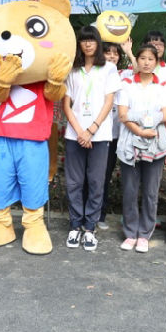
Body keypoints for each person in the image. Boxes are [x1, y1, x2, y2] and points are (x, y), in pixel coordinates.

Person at [63, 26, 121, 251]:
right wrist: (80, 131)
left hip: (100, 134)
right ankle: (75, 225)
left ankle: (90, 227)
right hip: (74, 135)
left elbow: (109, 102)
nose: (87, 44)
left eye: (92, 40)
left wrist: (92, 129)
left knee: (96, 182)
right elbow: (66, 104)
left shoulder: (109, 69)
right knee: (74, 182)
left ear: (98, 43)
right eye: (84, 40)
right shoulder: (72, 69)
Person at [116, 44, 166, 253]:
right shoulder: (126, 85)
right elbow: (123, 115)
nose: (146, 63)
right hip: (130, 141)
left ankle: (145, 234)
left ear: (156, 62)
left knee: (150, 192)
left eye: (151, 59)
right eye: (142, 58)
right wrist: (141, 129)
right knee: (130, 191)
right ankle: (130, 233)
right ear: (137, 61)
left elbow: (165, 115)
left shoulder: (163, 87)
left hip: (154, 143)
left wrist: (137, 117)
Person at [97, 40, 124, 231]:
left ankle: (100, 214)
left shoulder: (125, 75)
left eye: (116, 53)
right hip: (95, 132)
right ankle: (86, 213)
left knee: (105, 176)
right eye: (108, 52)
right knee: (91, 176)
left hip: (115, 135)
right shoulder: (95, 73)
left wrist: (129, 52)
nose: (112, 56)